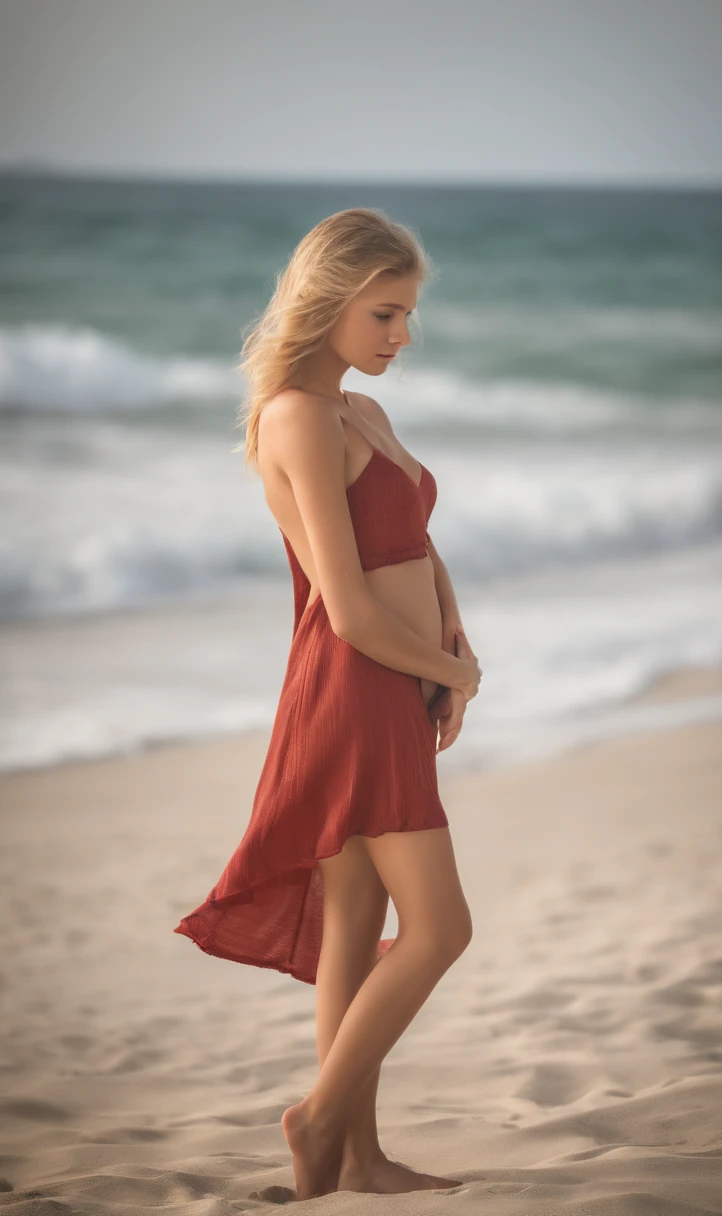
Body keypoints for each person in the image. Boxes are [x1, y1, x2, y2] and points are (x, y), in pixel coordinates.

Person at [174, 207, 482, 1199]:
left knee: (355, 918)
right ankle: (316, 1119)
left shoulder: (363, 413)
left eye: (408, 317)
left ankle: (353, 1156)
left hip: (395, 683)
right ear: (327, 303)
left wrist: (455, 637)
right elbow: (347, 608)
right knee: (439, 930)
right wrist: (453, 675)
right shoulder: (297, 416)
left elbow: (417, 541)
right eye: (384, 315)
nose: (400, 337)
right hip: (353, 691)